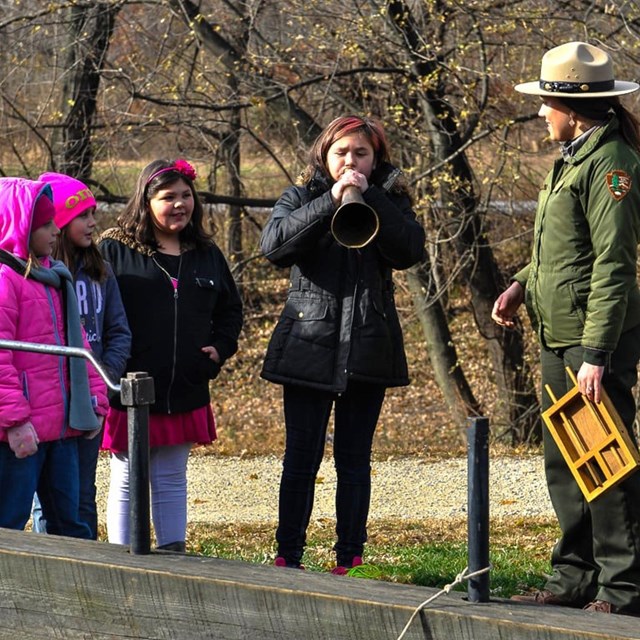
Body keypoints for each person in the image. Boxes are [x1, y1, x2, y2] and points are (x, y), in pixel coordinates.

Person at [492, 41, 640, 616]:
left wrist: (597, 353)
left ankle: (623, 588)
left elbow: (613, 262)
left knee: (605, 458)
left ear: (571, 108)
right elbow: (563, 250)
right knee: (567, 462)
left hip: (591, 337)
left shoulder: (613, 165)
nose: (539, 114)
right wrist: (521, 283)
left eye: (544, 104)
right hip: (558, 330)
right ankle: (574, 577)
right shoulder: (575, 156)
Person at [260, 115, 426, 573]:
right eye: (341, 153)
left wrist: (369, 196)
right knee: (301, 457)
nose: (350, 161)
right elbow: (273, 247)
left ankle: (349, 557)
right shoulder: (300, 197)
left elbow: (411, 249)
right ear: (324, 156)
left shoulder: (389, 200)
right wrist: (331, 201)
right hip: (308, 345)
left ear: (376, 160)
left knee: (355, 461)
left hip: (368, 346)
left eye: (361, 154)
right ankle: (287, 554)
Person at [99, 158, 243, 552]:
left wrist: (220, 349)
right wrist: (108, 367)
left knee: (172, 475)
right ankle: (124, 558)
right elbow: (94, 311)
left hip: (186, 385)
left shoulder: (206, 253)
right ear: (146, 201)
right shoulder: (114, 250)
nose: (180, 204)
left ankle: (171, 555)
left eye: (186, 195)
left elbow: (231, 310)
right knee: (129, 475)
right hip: (130, 386)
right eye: (168, 197)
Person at [0, 177, 108, 537]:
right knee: (9, 522)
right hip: (22, 433)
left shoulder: (54, 276)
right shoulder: (6, 280)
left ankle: (78, 594)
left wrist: (95, 397)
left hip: (61, 428)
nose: (54, 231)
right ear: (19, 224)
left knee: (70, 523)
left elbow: (78, 349)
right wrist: (14, 420)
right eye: (45, 224)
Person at [30, 172, 132, 540]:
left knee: (83, 493)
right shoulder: (39, 276)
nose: (92, 223)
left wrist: (103, 376)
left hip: (91, 399)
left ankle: (84, 571)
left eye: (93, 214)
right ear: (56, 221)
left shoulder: (101, 272)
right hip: (50, 402)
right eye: (82, 216)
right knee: (50, 498)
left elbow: (119, 331)